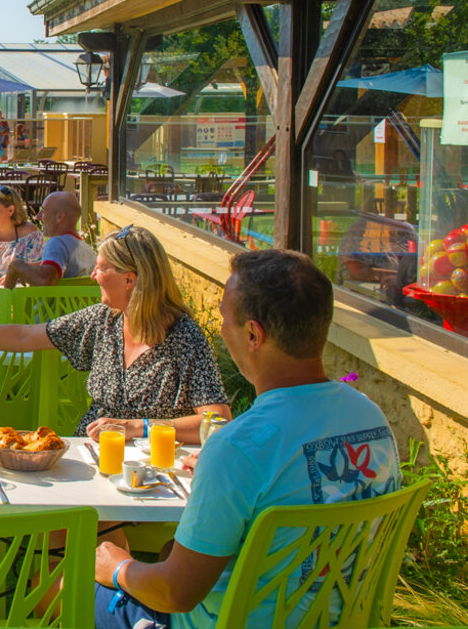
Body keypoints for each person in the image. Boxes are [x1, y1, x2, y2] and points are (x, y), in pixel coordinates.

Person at [91, 249, 401, 628]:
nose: (221, 330)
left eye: (224, 318)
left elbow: (175, 592)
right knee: (172, 549)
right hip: (343, 619)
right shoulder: (370, 417)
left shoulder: (238, 447)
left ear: (253, 334)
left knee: (68, 588)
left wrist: (118, 567)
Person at [0, 224, 230, 443]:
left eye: (101, 268)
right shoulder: (104, 320)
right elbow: (23, 336)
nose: (93, 276)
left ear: (130, 280)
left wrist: (138, 427)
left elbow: (217, 422)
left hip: (149, 471)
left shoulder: (183, 336)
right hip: (92, 453)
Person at [1, 191, 96, 288]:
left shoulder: (57, 243)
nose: (37, 217)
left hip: (53, 303)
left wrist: (16, 266)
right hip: (81, 303)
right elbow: (58, 266)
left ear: (60, 217)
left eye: (44, 211)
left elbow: (47, 278)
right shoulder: (89, 252)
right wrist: (26, 270)